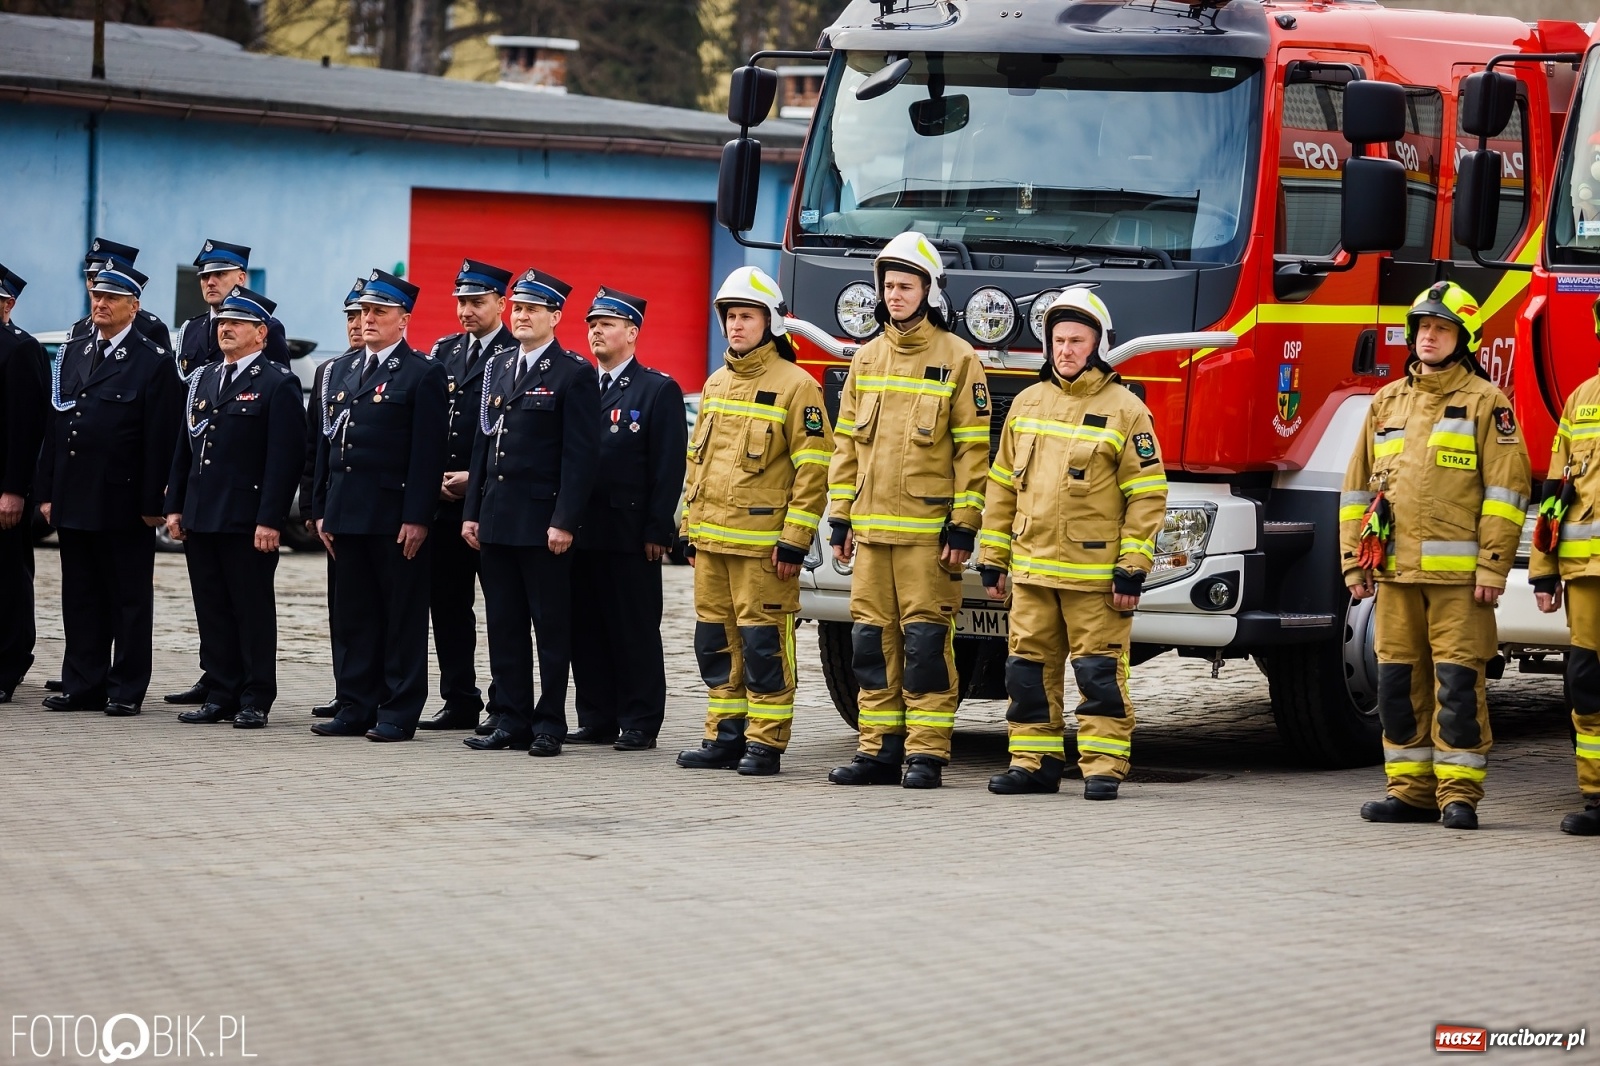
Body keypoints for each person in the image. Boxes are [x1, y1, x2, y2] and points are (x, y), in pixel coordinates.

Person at [1342, 281, 1531, 830]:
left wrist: (1493, 566)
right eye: (1423, 327)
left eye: (1441, 328)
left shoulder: (1486, 403)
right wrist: (1354, 562)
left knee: (1455, 688)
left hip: (1459, 584)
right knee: (1396, 687)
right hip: (1396, 576)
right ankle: (1410, 792)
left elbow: (1506, 493)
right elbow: (1356, 492)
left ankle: (1459, 795)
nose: (1429, 337)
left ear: (1462, 338)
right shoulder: (1386, 402)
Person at [977, 289, 1167, 800]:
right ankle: (1033, 762)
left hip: (1095, 576)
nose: (1065, 350)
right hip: (1033, 571)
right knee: (1027, 671)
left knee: (1099, 671)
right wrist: (992, 558)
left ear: (1099, 344)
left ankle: (1104, 766)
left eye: (1076, 341)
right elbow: (1001, 486)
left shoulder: (1127, 411)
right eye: (1057, 340)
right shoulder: (1026, 402)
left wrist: (1132, 567)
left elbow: (1147, 495)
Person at [824, 232, 990, 789]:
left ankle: (926, 754)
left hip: (927, 538)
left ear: (929, 290)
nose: (895, 295)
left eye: (906, 285)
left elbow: (973, 451)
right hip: (870, 534)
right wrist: (841, 517)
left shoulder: (959, 358)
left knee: (923, 646)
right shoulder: (866, 358)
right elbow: (846, 446)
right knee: (870, 645)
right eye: (889, 286)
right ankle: (878, 750)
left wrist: (965, 526)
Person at [675, 267, 832, 776]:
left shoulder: (798, 386)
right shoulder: (716, 383)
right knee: (714, 643)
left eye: (747, 316)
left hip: (765, 550)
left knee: (764, 645)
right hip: (712, 545)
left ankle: (766, 743)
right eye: (731, 317)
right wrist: (688, 531)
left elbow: (815, 469)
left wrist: (795, 540)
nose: (736, 326)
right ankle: (723, 735)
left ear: (771, 322)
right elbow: (696, 463)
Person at [462, 268, 597, 757]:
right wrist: (472, 511)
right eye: (517, 308)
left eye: (531, 309)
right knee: (504, 625)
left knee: (550, 628)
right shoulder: (499, 367)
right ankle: (511, 719)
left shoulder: (573, 373)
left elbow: (579, 457)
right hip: (497, 520)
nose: (521, 316)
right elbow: (484, 444)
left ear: (555, 317)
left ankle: (549, 722)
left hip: (542, 526)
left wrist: (564, 520)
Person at [36, 262, 181, 716]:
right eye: (97, 297)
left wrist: (153, 502)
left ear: (133, 307)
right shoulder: (75, 350)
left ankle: (125, 688)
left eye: (111, 299)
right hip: (75, 493)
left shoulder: (152, 360)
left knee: (128, 597)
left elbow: (160, 437)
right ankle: (83, 683)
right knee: (80, 594)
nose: (100, 304)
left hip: (123, 497)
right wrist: (47, 490)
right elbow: (56, 425)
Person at [310, 269, 448, 742]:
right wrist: (322, 508)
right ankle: (354, 705)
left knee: (400, 619)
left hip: (393, 518)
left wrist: (417, 517)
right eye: (364, 312)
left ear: (403, 320)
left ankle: (398, 710)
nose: (367, 320)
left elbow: (427, 455)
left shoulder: (423, 373)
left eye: (379, 313)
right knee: (353, 616)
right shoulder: (341, 371)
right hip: (347, 513)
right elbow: (327, 449)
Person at [163, 287, 304, 728]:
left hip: (246, 519)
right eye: (223, 322)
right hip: (203, 512)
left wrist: (270, 519)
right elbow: (184, 448)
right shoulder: (203, 379)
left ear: (260, 333)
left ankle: (256, 695)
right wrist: (175, 505)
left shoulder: (277, 382)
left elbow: (284, 460)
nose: (225, 328)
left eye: (236, 323)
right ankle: (221, 691)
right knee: (212, 606)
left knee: (251, 608)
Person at [568, 287, 686, 751]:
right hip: (580, 531)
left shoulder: (657, 388)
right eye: (592, 323)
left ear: (632, 332)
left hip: (629, 533)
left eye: (608, 323)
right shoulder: (578, 384)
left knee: (633, 629)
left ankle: (639, 720)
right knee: (586, 627)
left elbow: (667, 465)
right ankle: (595, 717)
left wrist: (659, 528)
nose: (596, 330)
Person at [419, 259, 519, 731]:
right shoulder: (443, 351)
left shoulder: (516, 352)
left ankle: (505, 703)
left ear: (502, 303)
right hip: (444, 504)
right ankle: (459, 698)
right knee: (448, 606)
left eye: (477, 302)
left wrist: (471, 477)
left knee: (503, 609)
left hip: (490, 500)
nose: (466, 310)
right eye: (461, 301)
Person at [1530, 293, 1600, 836]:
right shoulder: (1580, 401)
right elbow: (1555, 494)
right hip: (1586, 577)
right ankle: (1598, 795)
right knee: (1586, 682)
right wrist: (1544, 570)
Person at [306, 279, 365, 720]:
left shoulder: (409, 368)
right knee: (342, 611)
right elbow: (317, 449)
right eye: (350, 316)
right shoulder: (331, 373)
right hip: (338, 508)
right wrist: (315, 507)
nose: (357, 324)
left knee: (375, 611)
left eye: (365, 314)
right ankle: (347, 690)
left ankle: (373, 692)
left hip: (376, 509)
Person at [0, 264, 45, 704]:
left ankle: (8, 664)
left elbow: (26, 428)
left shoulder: (20, 350)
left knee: (8, 577)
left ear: (7, 304)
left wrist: (15, 488)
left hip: (3, 489)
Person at [66, 238, 171, 351]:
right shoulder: (79, 329)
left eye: (101, 280)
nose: (93, 285)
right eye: (90, 278)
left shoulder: (149, 328)